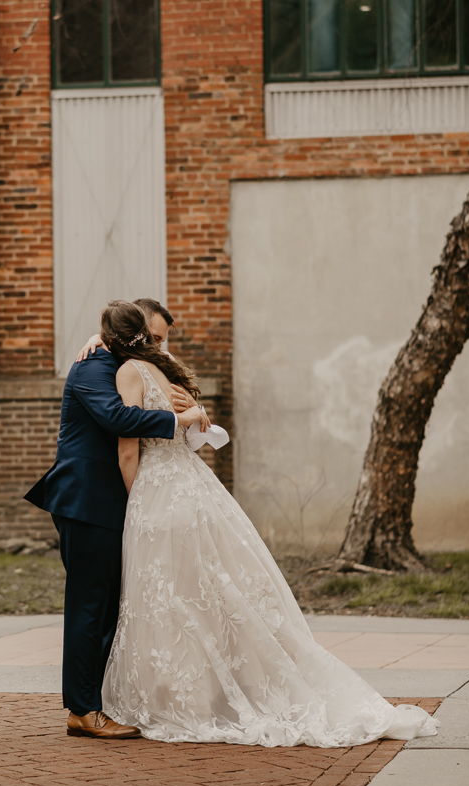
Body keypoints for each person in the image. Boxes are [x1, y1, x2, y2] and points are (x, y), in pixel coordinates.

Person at [99, 299, 438, 747]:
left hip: (157, 495)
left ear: (111, 341)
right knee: (204, 598)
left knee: (167, 603)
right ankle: (210, 695)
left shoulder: (128, 374)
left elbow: (128, 449)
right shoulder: (166, 369)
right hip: (193, 489)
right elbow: (187, 431)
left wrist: (134, 500)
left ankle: (181, 703)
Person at [24, 313, 208, 740]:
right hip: (87, 500)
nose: (157, 346)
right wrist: (177, 421)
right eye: (150, 338)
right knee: (90, 605)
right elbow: (117, 419)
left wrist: (190, 410)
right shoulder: (92, 365)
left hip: (116, 502)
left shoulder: (132, 364)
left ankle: (101, 699)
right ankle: (83, 710)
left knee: (110, 605)